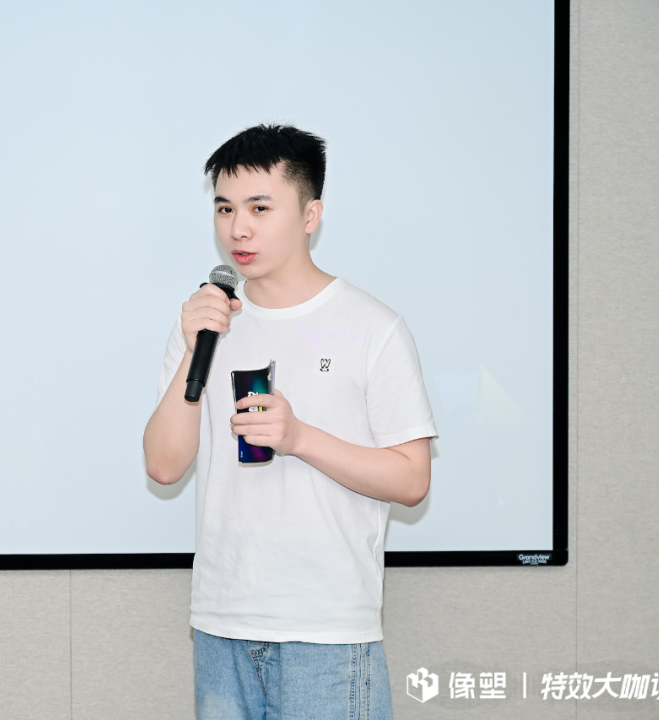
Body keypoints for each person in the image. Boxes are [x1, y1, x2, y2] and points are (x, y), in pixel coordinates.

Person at [143, 124, 438, 719]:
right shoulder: (204, 322)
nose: (238, 228)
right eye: (224, 208)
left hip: (326, 631)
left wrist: (300, 438)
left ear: (310, 215)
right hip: (222, 622)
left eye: (259, 207)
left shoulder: (372, 327)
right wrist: (194, 346)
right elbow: (164, 466)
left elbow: (412, 480)